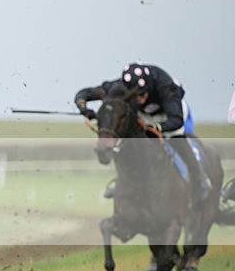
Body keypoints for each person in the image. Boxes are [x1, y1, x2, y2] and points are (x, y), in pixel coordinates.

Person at [75, 62, 212, 204]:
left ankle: (199, 178)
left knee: (175, 138)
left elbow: (176, 121)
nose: (140, 99)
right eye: (136, 96)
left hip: (169, 112)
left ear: (148, 87)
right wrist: (84, 109)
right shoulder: (117, 87)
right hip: (144, 114)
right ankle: (122, 182)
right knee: (130, 141)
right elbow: (83, 95)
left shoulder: (165, 86)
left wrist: (156, 128)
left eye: (143, 94)